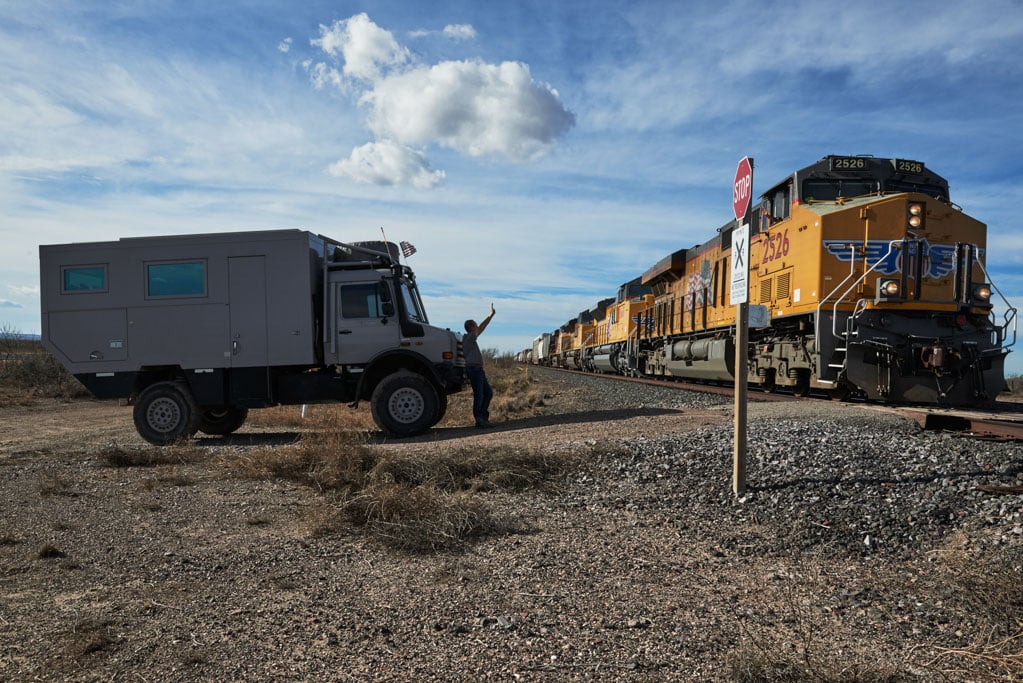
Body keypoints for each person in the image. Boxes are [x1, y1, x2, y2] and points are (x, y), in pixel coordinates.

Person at [463, 304, 496, 428]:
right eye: (475, 324)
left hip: (478, 370)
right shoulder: (470, 337)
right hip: (474, 370)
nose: (477, 326)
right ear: (471, 327)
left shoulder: (470, 339)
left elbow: (480, 328)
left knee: (487, 393)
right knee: (480, 395)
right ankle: (479, 419)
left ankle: (482, 417)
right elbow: (482, 327)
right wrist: (490, 315)